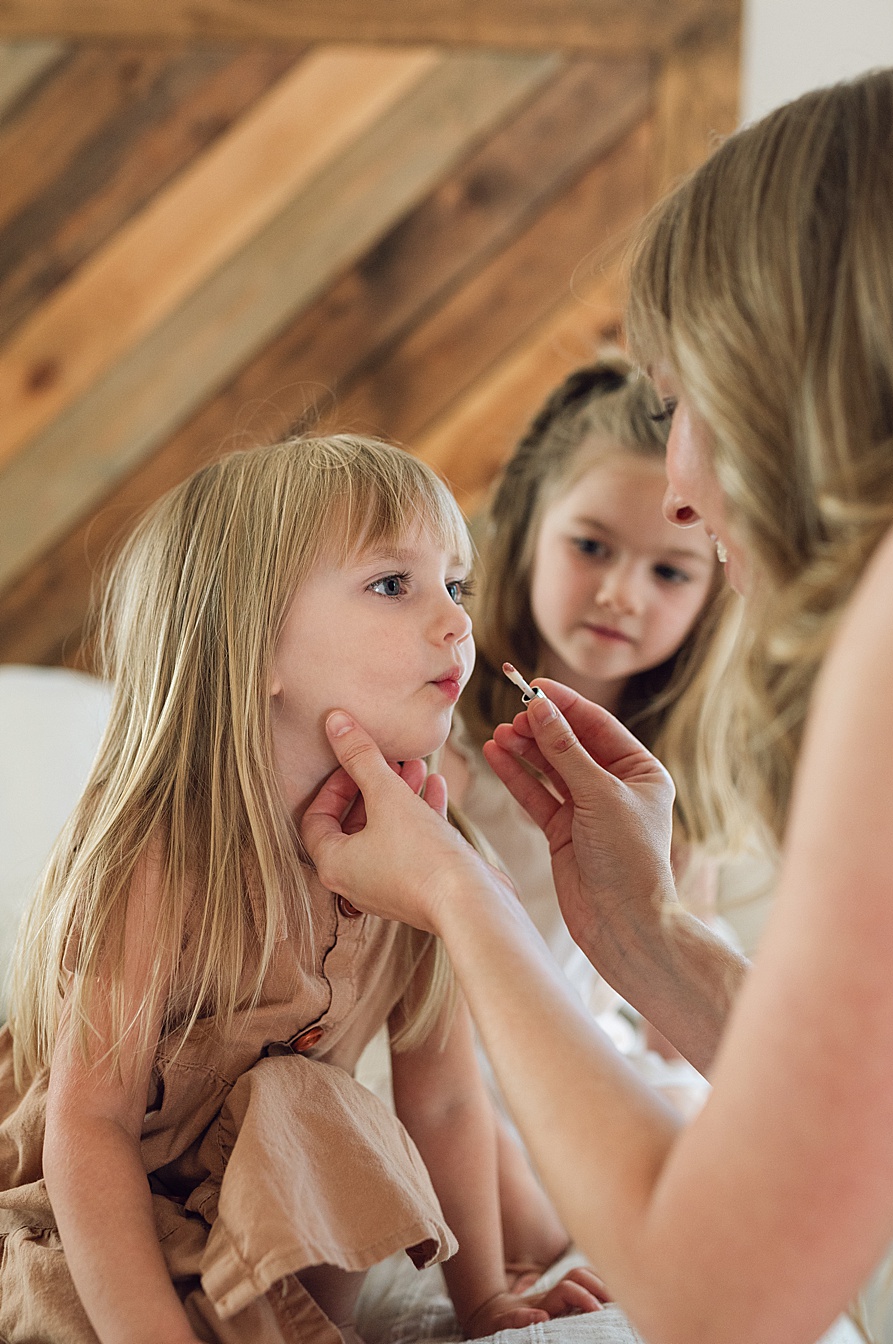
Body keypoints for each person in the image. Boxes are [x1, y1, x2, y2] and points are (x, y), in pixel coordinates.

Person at [300, 68, 893, 1344]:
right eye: (394, 585)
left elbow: (757, 1229)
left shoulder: (862, 667)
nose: (681, 489)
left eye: (688, 407)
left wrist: (486, 903)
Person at [0, 436, 602, 1344]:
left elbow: (439, 1101)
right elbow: (90, 1132)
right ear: (255, 648)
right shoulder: (165, 856)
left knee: (321, 1107)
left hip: (257, 1220)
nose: (455, 624)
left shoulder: (430, 858)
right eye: (393, 584)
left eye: (456, 585)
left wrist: (483, 1303)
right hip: (79, 1214)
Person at [444, 349, 733, 1276]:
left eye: (671, 572)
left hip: (576, 1063)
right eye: (592, 546)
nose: (622, 593)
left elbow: (671, 1022)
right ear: (529, 527)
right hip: (448, 1054)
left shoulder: (679, 790)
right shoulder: (444, 740)